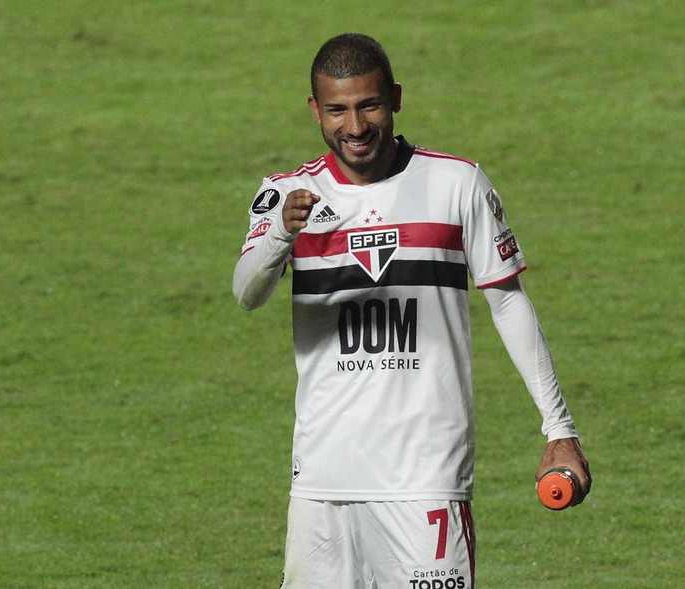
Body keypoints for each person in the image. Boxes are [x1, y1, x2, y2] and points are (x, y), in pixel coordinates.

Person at [233, 32, 591, 589]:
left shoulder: (455, 184)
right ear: (315, 111)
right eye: (337, 110)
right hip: (323, 484)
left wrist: (559, 428)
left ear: (396, 97)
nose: (355, 126)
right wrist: (281, 231)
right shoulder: (287, 194)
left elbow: (508, 302)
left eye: (369, 104)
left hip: (427, 480)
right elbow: (247, 292)